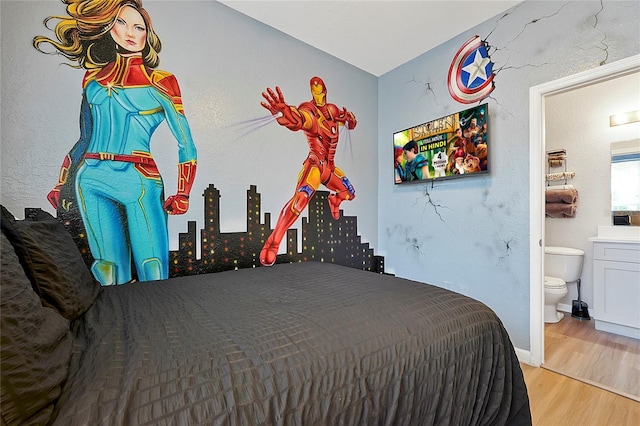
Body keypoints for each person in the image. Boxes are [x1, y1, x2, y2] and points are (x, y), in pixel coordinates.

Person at [34, 0, 197, 285]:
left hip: (140, 179)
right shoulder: (92, 78)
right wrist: (62, 183)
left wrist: (183, 192)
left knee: (153, 268)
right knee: (107, 269)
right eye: (122, 23)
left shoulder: (162, 81)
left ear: (148, 34)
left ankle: (160, 327)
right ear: (109, 26)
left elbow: (186, 144)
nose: (131, 32)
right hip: (91, 177)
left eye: (139, 27)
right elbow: (84, 137)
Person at [259, 77, 357, 266]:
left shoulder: (333, 110)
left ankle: (334, 201)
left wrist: (350, 119)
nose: (319, 95)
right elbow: (299, 119)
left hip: (330, 168)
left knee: (349, 193)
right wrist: (285, 110)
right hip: (315, 166)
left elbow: (349, 123)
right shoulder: (309, 110)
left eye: (321, 91)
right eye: (315, 91)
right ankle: (274, 241)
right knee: (301, 200)